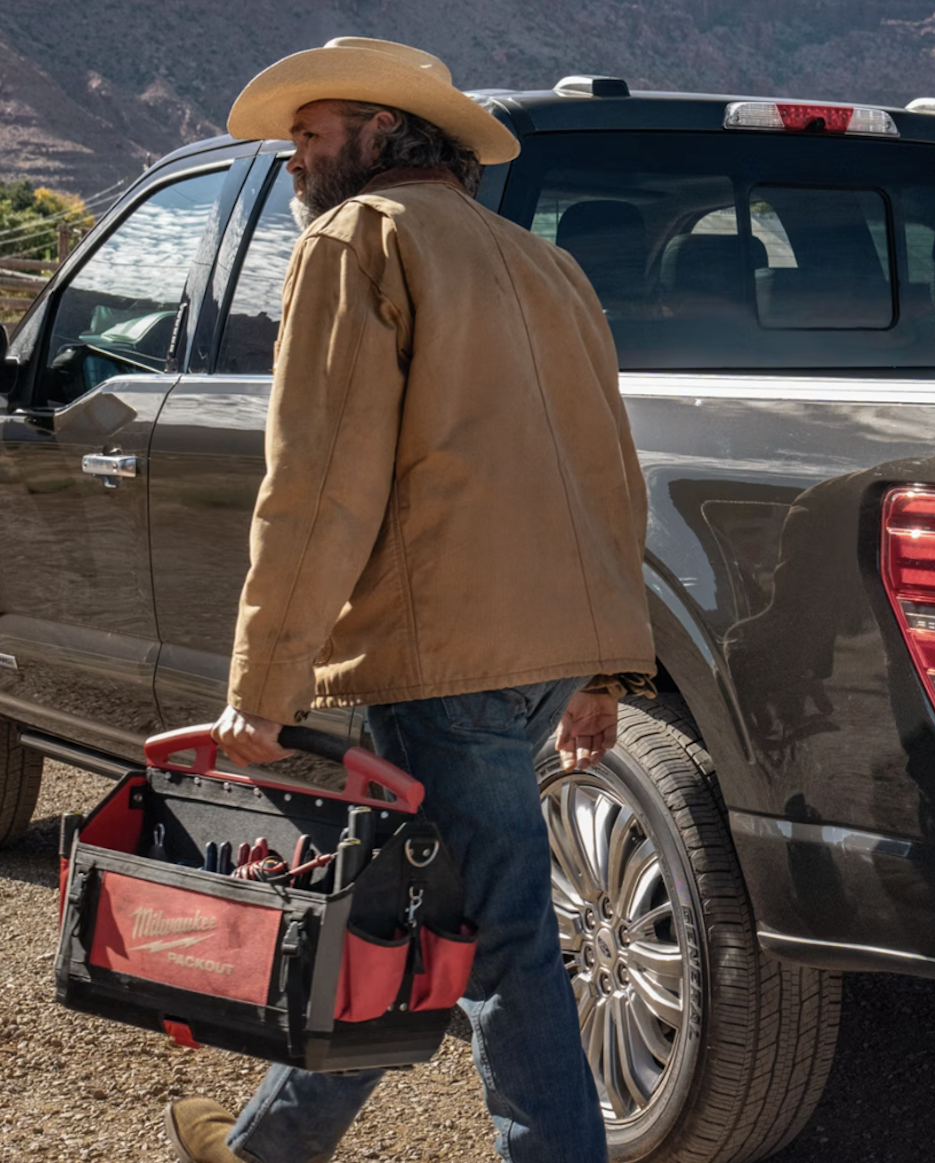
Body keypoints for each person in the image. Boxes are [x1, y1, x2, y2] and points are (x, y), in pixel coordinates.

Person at [165, 37, 654, 1163]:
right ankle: (269, 1144)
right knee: (410, 908)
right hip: (536, 655)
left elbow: (317, 485)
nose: (293, 152)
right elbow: (606, 470)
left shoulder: (358, 237)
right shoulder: (543, 263)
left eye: (313, 129)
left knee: (498, 939)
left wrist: (261, 691)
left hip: (449, 656)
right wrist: (599, 667)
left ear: (382, 132)